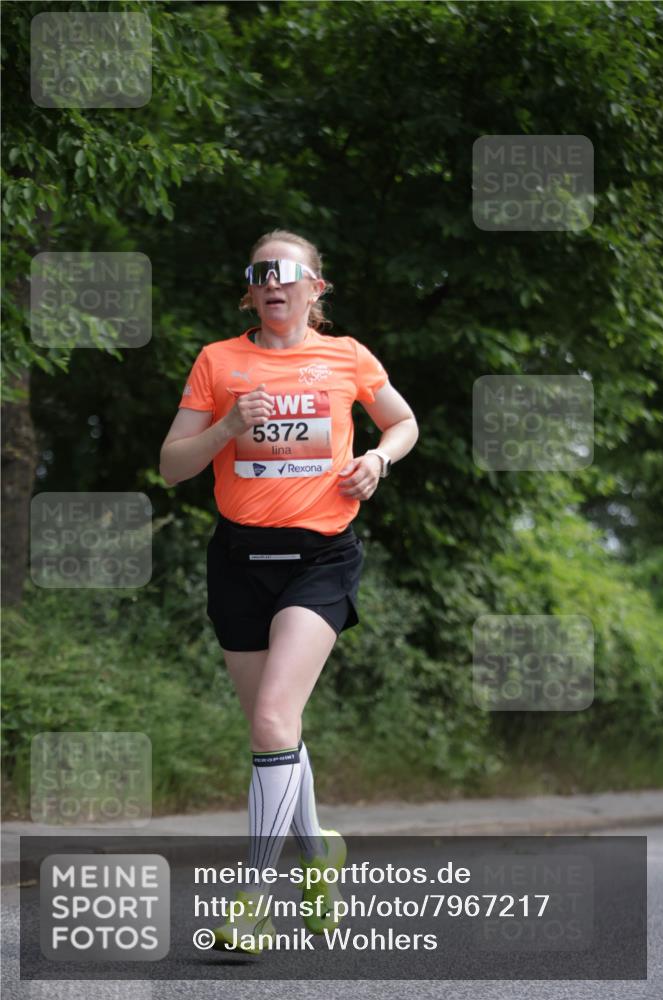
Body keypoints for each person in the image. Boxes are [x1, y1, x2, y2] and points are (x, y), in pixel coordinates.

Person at [159, 229, 419, 953]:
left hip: (321, 558)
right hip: (239, 560)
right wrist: (227, 428)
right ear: (251, 289)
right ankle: (318, 851)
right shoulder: (219, 361)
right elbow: (172, 466)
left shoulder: (347, 356)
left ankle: (251, 902)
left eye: (288, 272)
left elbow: (402, 422)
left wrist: (376, 458)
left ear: (315, 288)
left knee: (274, 718)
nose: (274, 282)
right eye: (260, 272)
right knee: (274, 732)